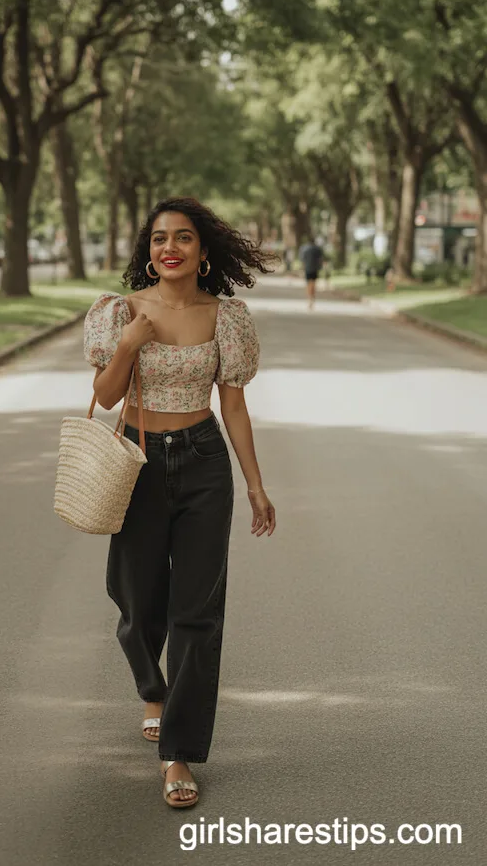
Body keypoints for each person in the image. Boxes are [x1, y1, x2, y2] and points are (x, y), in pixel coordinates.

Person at [83, 197, 277, 809]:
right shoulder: (120, 312)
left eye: (184, 238)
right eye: (160, 238)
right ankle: (151, 686)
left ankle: (178, 751)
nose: (170, 247)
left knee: (198, 611)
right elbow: (106, 396)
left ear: (202, 251)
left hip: (202, 460)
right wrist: (129, 346)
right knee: (136, 597)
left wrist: (254, 484)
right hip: (136, 461)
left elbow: (235, 406)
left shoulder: (227, 317)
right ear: (149, 252)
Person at [298, 236, 324, 310]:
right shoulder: (317, 249)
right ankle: (312, 297)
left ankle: (310, 298)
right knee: (313, 284)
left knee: (309, 284)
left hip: (307, 269)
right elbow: (320, 259)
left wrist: (302, 268)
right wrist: (320, 267)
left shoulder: (304, 248)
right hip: (315, 269)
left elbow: (302, 259)